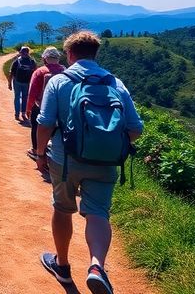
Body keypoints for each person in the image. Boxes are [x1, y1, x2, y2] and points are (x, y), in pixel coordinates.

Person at [34, 31, 143, 294]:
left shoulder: (59, 81)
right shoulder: (115, 83)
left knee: (62, 208)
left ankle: (62, 265)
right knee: (98, 213)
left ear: (69, 54)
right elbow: (135, 128)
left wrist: (40, 154)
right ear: (96, 53)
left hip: (65, 160)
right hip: (105, 162)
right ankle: (96, 266)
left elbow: (45, 122)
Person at [25, 47, 64, 161]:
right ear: (58, 58)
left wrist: (28, 108)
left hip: (40, 105)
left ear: (45, 58)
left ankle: (36, 150)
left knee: (36, 127)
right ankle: (54, 153)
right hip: (61, 108)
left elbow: (32, 92)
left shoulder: (40, 71)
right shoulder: (65, 71)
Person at [7, 46, 37, 122]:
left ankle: (17, 114)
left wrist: (9, 83)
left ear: (20, 52)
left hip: (17, 81)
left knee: (17, 97)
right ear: (28, 52)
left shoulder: (17, 61)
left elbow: (11, 73)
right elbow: (35, 73)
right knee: (25, 98)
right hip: (27, 82)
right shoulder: (32, 61)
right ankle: (23, 113)